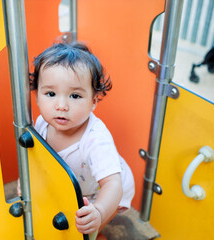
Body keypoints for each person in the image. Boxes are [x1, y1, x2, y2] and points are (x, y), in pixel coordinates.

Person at [29, 42, 135, 239]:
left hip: (104, 190)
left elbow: (113, 184)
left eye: (75, 96)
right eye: (50, 94)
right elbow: (35, 157)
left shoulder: (96, 140)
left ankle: (98, 229)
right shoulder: (42, 123)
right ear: (36, 96)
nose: (61, 105)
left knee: (88, 227)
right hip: (78, 182)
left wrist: (100, 211)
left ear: (93, 101)